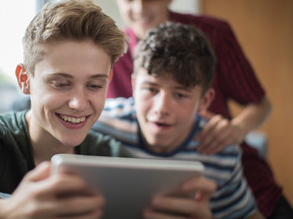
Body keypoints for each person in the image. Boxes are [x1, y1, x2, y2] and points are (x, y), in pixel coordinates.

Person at [0, 0, 216, 219]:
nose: (80, 103)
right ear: (25, 80)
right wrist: (1, 212)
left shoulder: (116, 162)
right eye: (60, 83)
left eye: (94, 85)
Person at [106, 0, 292, 217]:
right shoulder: (112, 52)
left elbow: (260, 103)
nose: (140, 8)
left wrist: (236, 130)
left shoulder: (214, 35)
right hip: (153, 188)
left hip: (227, 169)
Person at [93, 21, 265, 218]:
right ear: (133, 85)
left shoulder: (220, 151)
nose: (162, 108)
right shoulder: (97, 124)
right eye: (151, 89)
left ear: (204, 101)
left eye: (181, 95)